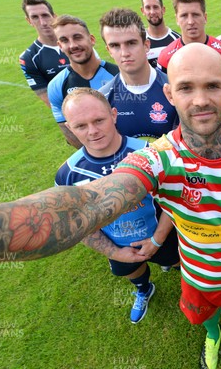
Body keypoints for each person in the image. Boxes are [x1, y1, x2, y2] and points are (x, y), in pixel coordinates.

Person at [0, 45, 221, 369]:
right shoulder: (159, 157)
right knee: (206, 315)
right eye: (186, 87)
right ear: (169, 93)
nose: (199, 100)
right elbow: (89, 203)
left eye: (211, 85)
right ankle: (213, 336)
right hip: (199, 272)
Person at [55, 88, 179, 323]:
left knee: (177, 262)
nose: (92, 131)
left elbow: (176, 201)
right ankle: (143, 289)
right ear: (70, 128)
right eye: (81, 126)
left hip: (161, 237)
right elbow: (78, 225)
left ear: (114, 114)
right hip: (117, 245)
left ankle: (176, 271)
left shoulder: (150, 152)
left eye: (99, 120)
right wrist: (113, 252)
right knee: (132, 271)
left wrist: (156, 241)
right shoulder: (67, 175)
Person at [98, 8, 178, 142]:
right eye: (115, 46)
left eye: (131, 43)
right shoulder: (103, 99)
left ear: (146, 45)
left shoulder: (174, 88)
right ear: (109, 51)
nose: (124, 53)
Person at [48, 15, 119, 148]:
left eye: (77, 37)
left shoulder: (118, 74)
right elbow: (68, 130)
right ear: (60, 46)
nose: (73, 45)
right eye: (65, 40)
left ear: (91, 39)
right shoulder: (56, 86)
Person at [157, 0, 221, 80]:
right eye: (184, 16)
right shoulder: (165, 58)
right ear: (177, 19)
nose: (190, 21)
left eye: (195, 15)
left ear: (205, 17)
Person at [19, 0, 69, 108]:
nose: (43, 22)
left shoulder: (76, 43)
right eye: (35, 17)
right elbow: (50, 101)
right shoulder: (29, 58)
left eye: (45, 15)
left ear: (54, 16)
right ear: (29, 21)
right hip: (70, 118)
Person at [140, 0, 180, 67]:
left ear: (163, 10)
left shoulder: (177, 39)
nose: (152, 12)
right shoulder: (139, 42)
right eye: (148, 8)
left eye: (155, 7)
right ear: (143, 11)